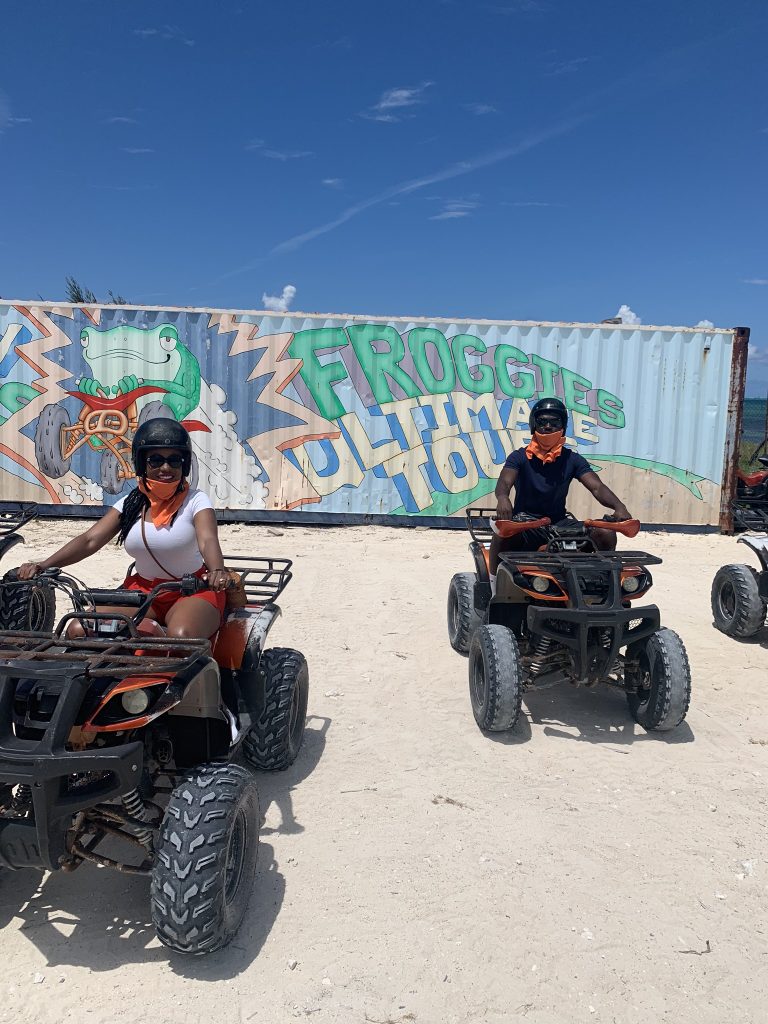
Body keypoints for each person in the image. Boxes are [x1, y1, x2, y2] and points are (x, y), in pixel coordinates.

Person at [18, 419, 230, 639]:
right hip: (143, 592)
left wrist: (216, 571)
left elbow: (208, 540)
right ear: (142, 463)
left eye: (174, 460)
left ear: (184, 464)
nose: (165, 468)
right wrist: (43, 565)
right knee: (81, 629)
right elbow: (90, 539)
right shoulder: (131, 503)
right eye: (155, 460)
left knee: (181, 636)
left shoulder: (196, 500)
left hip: (191, 590)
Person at [489, 397, 632, 592]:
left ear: (563, 426)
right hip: (527, 522)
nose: (548, 426)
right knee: (502, 532)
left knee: (605, 532)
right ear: (533, 425)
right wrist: (503, 498)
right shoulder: (519, 457)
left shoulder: (572, 459)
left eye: (554, 422)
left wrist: (619, 507)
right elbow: (505, 482)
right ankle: (494, 585)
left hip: (558, 522)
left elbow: (597, 487)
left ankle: (603, 584)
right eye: (542, 421)